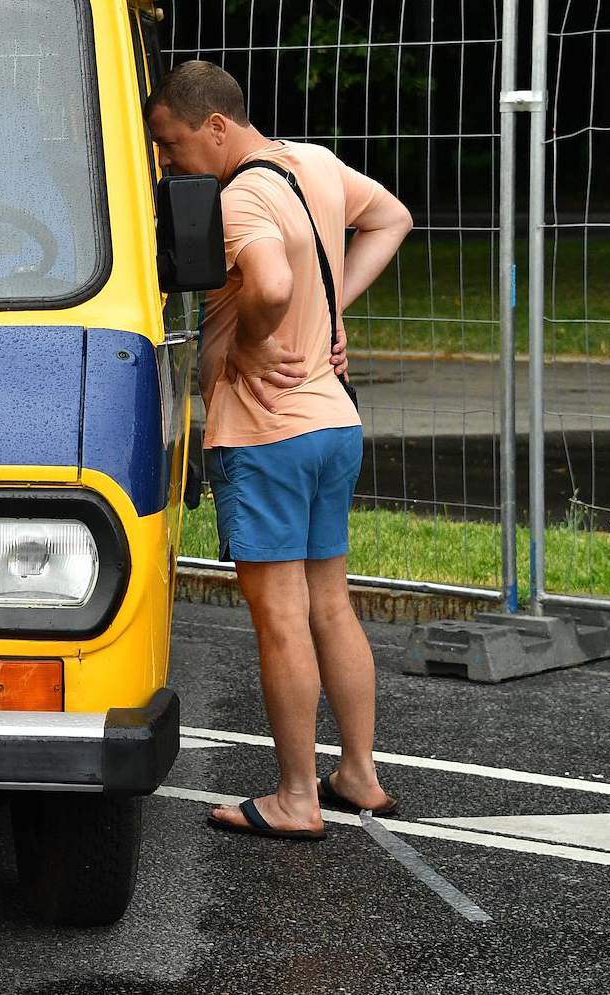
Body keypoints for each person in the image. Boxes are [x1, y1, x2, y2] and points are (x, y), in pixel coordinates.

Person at [146, 60, 413, 841]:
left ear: (216, 127)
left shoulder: (240, 197)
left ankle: (298, 796)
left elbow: (263, 284)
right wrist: (333, 310)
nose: (168, 164)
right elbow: (391, 217)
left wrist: (246, 342)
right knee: (331, 599)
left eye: (172, 145)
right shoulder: (316, 164)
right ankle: (358, 773)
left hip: (267, 436)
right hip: (333, 424)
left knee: (281, 618)